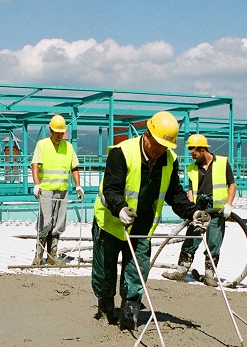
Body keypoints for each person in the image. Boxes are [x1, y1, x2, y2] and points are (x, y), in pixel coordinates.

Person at [91, 111, 210, 329]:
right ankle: (106, 304)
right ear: (147, 136)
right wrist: (120, 208)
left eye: (164, 147)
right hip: (109, 223)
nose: (159, 151)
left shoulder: (169, 160)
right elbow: (111, 189)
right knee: (104, 273)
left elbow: (175, 194)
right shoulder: (122, 153)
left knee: (136, 271)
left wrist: (193, 213)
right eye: (156, 145)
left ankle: (129, 313)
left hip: (142, 226)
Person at [161, 134, 237, 287]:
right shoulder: (192, 168)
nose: (192, 155)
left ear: (203, 150)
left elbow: (232, 185)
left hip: (217, 210)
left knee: (214, 242)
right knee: (191, 239)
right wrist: (190, 209)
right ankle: (181, 271)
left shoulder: (222, 163)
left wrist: (229, 204)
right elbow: (191, 190)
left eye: (194, 152)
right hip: (199, 208)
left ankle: (210, 275)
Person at [31, 114, 84, 266]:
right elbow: (35, 164)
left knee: (58, 224)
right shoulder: (42, 145)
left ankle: (52, 256)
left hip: (62, 190)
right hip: (46, 190)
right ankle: (39, 255)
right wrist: (37, 184)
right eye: (57, 132)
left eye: (62, 132)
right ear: (51, 130)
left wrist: (78, 185)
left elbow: (74, 167)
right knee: (45, 222)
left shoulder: (68, 147)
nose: (60, 135)